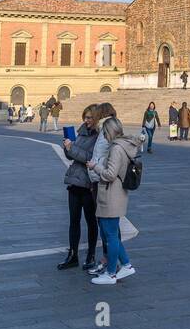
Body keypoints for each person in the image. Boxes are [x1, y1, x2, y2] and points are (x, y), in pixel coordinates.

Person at [88, 118, 141, 285]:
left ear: (110, 131)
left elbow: (110, 174)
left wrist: (94, 166)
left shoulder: (116, 148)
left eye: (105, 132)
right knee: (110, 234)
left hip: (111, 194)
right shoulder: (123, 146)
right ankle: (126, 264)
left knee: (110, 235)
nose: (104, 135)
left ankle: (111, 273)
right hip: (114, 194)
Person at [59, 106, 102, 272]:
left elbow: (91, 158)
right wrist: (67, 147)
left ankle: (91, 255)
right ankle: (73, 255)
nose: (87, 120)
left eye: (90, 117)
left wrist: (73, 149)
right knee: (73, 221)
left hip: (89, 184)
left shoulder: (100, 137)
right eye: (85, 117)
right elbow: (73, 155)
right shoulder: (82, 132)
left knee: (91, 222)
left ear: (97, 118)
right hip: (75, 182)